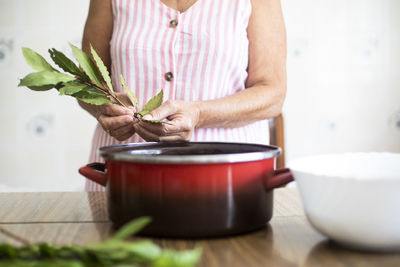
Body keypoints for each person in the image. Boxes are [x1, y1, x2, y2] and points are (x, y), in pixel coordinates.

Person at [79, 0, 287, 191]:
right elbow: (85, 80)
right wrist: (104, 105)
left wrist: (199, 113)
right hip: (121, 178)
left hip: (230, 182)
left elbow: (273, 92)